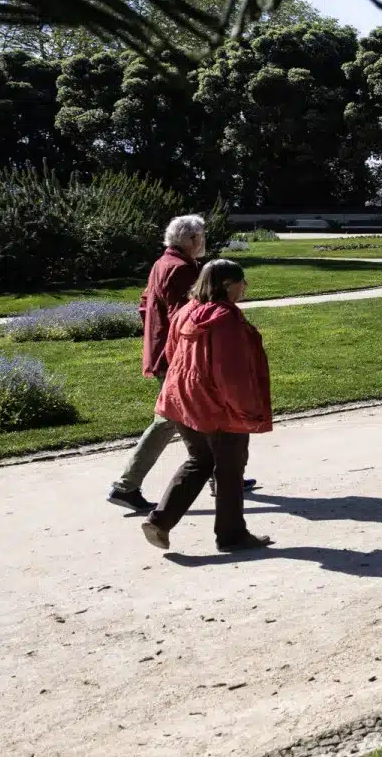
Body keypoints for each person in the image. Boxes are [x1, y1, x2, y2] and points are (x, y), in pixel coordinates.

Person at [108, 214, 256, 510]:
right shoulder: (181, 270)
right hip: (177, 356)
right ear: (190, 240)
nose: (203, 242)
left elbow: (146, 304)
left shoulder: (163, 263)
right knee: (178, 418)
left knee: (188, 416)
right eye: (200, 237)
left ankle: (223, 478)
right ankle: (126, 486)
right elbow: (187, 317)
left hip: (165, 351)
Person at [140, 259, 274, 552]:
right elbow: (232, 373)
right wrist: (247, 411)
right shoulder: (226, 319)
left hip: (182, 401)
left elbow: (173, 354)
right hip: (217, 406)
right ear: (227, 285)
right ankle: (232, 536)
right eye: (242, 281)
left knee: (200, 461)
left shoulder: (185, 312)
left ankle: (160, 521)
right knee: (229, 468)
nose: (245, 287)